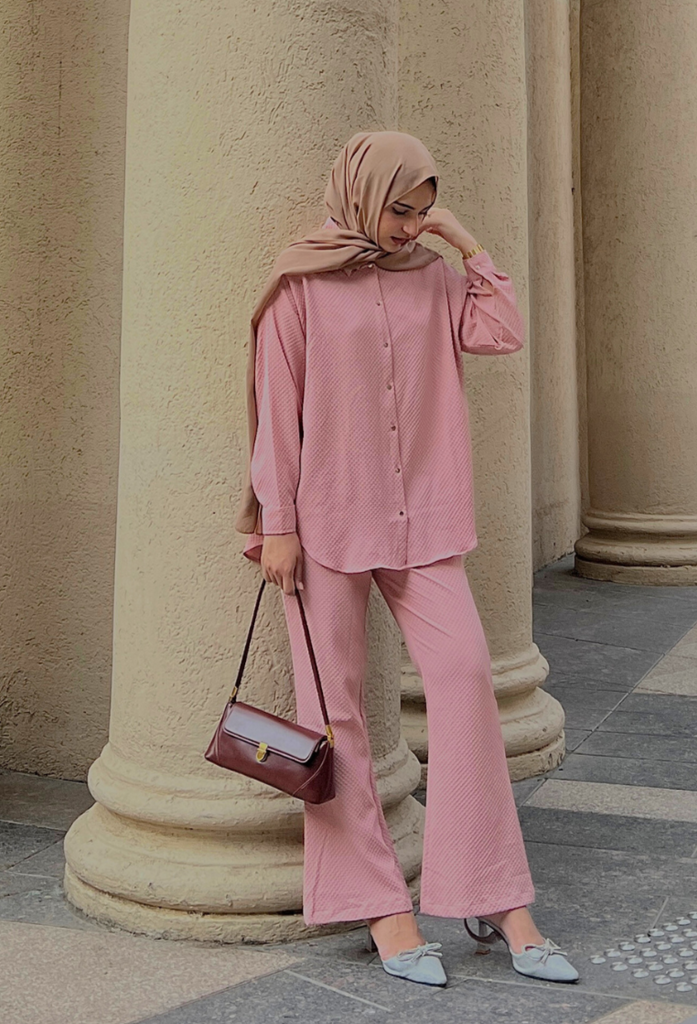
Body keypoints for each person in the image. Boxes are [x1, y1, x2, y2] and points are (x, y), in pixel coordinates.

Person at [234, 130, 578, 988]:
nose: (409, 226)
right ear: (359, 194)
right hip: (322, 524)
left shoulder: (433, 276)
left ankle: (494, 896)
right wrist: (279, 523)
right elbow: (276, 409)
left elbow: (499, 333)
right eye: (399, 209)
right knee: (334, 715)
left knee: (463, 677)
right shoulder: (300, 284)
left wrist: (466, 245)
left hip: (422, 519)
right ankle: (380, 908)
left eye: (421, 211)